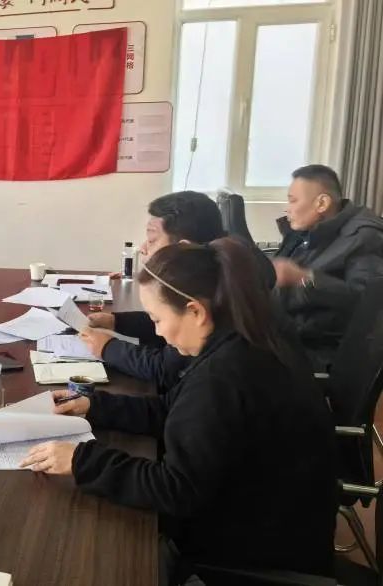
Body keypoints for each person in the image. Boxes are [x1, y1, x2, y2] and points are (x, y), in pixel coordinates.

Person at [21, 239, 336, 583]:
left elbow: (175, 489)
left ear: (196, 312)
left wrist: (81, 461)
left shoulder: (223, 376)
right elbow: (177, 410)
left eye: (157, 319)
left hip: (256, 546)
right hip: (279, 519)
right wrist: (96, 405)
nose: (156, 332)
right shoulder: (242, 340)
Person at [79, 191, 275, 392]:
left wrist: (107, 347)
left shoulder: (210, 302)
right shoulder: (220, 278)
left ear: (182, 248)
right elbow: (169, 319)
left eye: (152, 239)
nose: (143, 248)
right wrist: (117, 321)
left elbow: (164, 369)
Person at [273, 164, 383, 369]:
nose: (288, 208)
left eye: (293, 200)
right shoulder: (310, 230)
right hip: (285, 332)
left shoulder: (364, 238)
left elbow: (368, 306)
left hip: (316, 352)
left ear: (322, 203)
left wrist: (304, 279)